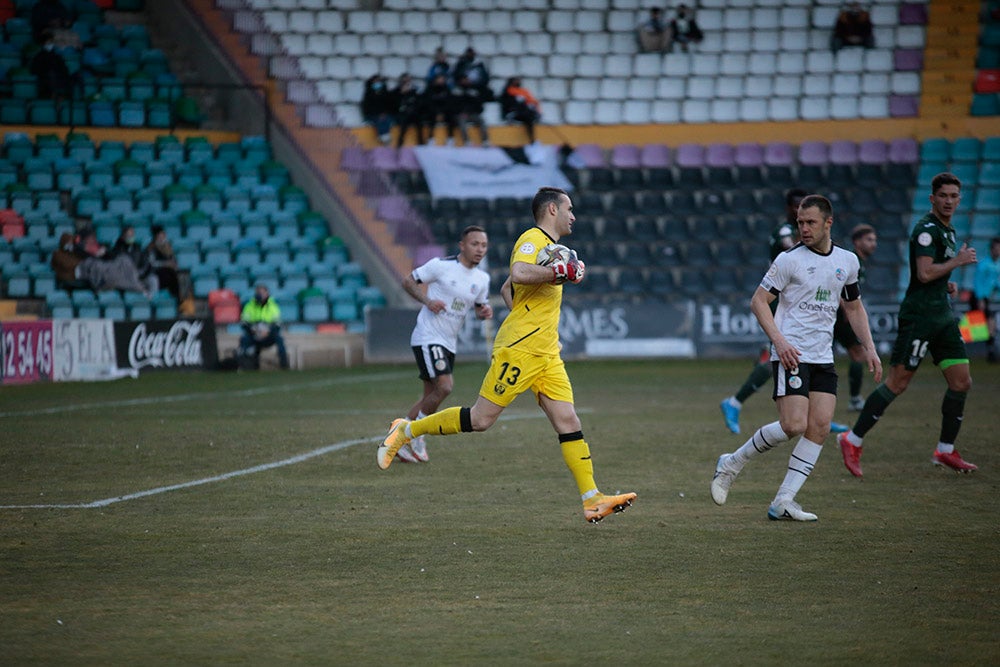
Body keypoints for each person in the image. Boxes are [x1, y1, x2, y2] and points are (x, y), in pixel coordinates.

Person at [377, 187, 638, 524]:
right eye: (569, 209)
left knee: (568, 421)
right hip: (520, 350)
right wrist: (559, 273)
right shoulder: (532, 239)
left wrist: (542, 314)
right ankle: (406, 431)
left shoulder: (552, 249)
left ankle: (592, 499)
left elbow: (505, 289)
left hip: (544, 353)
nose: (573, 216)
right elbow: (518, 274)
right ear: (551, 210)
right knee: (482, 419)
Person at [711, 195, 882, 521]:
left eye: (810, 223)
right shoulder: (788, 260)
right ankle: (732, 462)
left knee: (818, 427)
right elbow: (759, 302)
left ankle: (783, 501)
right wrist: (779, 340)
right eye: (801, 222)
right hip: (790, 353)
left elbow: (854, 306)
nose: (803, 228)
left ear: (828, 223)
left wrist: (869, 347)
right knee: (793, 424)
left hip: (823, 356)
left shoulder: (847, 261)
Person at [837, 173, 979, 476]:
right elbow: (925, 273)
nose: (949, 201)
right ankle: (852, 439)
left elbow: (932, 278)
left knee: (961, 381)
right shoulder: (926, 230)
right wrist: (957, 263)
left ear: (959, 199)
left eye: (954, 196)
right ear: (932, 198)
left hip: (942, 315)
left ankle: (945, 450)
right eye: (943, 195)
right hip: (920, 318)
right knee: (897, 382)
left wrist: (947, 285)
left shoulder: (947, 230)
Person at [395, 226, 493, 464]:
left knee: (433, 396)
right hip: (428, 336)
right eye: (474, 244)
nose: (479, 249)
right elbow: (408, 282)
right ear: (462, 245)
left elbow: (480, 307)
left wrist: (484, 312)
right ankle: (413, 435)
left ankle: (400, 437)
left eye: (483, 245)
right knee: (445, 386)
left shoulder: (482, 279)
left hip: (449, 343)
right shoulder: (441, 265)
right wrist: (428, 301)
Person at [835, 224, 879, 410]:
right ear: (857, 242)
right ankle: (854, 399)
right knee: (858, 353)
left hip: (840, 314)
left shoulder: (857, 262)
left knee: (855, 353)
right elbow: (838, 287)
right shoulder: (852, 261)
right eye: (869, 240)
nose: (873, 244)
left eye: (874, 240)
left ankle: (853, 399)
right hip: (840, 316)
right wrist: (847, 311)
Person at [239, 284, 289, 369]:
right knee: (244, 340)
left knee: (279, 339)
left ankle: (284, 365)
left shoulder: (273, 306)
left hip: (268, 335)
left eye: (262, 292)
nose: (259, 294)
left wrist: (268, 332)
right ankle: (243, 365)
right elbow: (244, 323)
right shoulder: (249, 306)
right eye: (258, 292)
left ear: (267, 293)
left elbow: (277, 324)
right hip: (253, 334)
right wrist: (253, 331)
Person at [969, 236, 1000, 362]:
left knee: (989, 323)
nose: (998, 251)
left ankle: (991, 350)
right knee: (982, 324)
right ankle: (990, 350)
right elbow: (978, 282)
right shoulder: (983, 264)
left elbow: (996, 283)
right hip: (978, 297)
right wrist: (980, 299)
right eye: (997, 248)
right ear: (991, 250)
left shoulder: (997, 265)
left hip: (988, 298)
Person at [30, 31, 77, 102]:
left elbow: (64, 69)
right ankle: (54, 95)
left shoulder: (57, 56)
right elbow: (35, 70)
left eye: (52, 41)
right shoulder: (38, 57)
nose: (51, 44)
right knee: (51, 75)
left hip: (59, 80)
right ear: (44, 43)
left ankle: (64, 96)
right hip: (46, 82)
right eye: (49, 42)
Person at [111, 225, 158, 295]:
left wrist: (139, 272)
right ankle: (142, 296)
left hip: (139, 274)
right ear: (123, 236)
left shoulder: (137, 247)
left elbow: (145, 262)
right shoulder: (117, 249)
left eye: (132, 235)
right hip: (125, 277)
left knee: (153, 280)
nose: (131, 237)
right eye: (128, 235)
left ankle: (152, 299)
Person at [500, 77, 541, 145]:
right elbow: (505, 103)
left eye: (518, 81)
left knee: (529, 118)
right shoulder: (507, 92)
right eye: (515, 81)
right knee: (526, 115)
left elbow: (532, 101)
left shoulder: (523, 91)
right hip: (512, 113)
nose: (517, 83)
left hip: (523, 113)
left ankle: (532, 140)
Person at [453, 74, 492, 146]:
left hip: (473, 113)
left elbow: (479, 103)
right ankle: (467, 141)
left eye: (467, 79)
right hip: (461, 113)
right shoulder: (457, 91)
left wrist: (474, 110)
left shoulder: (474, 90)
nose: (466, 81)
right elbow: (454, 104)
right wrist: (461, 112)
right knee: (462, 123)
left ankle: (485, 140)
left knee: (482, 121)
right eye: (464, 80)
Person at [421, 72, 458, 146]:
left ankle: (450, 138)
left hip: (444, 111)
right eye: (440, 79)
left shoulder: (446, 89)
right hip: (432, 111)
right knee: (430, 119)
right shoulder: (430, 89)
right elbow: (428, 103)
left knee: (452, 119)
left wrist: (442, 112)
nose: (441, 80)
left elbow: (449, 102)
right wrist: (437, 112)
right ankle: (430, 138)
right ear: (435, 80)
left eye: (443, 79)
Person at [146, 224, 180, 299]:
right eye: (159, 236)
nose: (162, 238)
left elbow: (173, 259)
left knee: (180, 276)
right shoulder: (151, 248)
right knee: (171, 276)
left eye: (163, 235)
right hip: (156, 272)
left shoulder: (168, 247)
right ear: (155, 237)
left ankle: (182, 301)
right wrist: (166, 264)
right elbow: (152, 263)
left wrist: (174, 264)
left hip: (168, 272)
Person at [391, 73, 424, 148]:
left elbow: (419, 102)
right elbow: (393, 103)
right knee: (403, 125)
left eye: (408, 79)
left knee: (419, 123)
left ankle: (421, 144)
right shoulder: (397, 91)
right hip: (402, 114)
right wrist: (402, 93)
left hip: (414, 113)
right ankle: (399, 145)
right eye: (405, 79)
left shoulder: (415, 90)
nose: (407, 81)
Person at [360, 74, 394, 145]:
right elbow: (367, 107)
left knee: (387, 119)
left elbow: (389, 105)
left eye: (379, 81)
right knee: (379, 120)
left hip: (384, 114)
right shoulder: (368, 94)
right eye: (375, 81)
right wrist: (378, 114)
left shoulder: (385, 93)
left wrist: (384, 113)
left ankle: (384, 136)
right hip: (371, 114)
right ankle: (384, 137)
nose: (377, 83)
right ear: (372, 83)